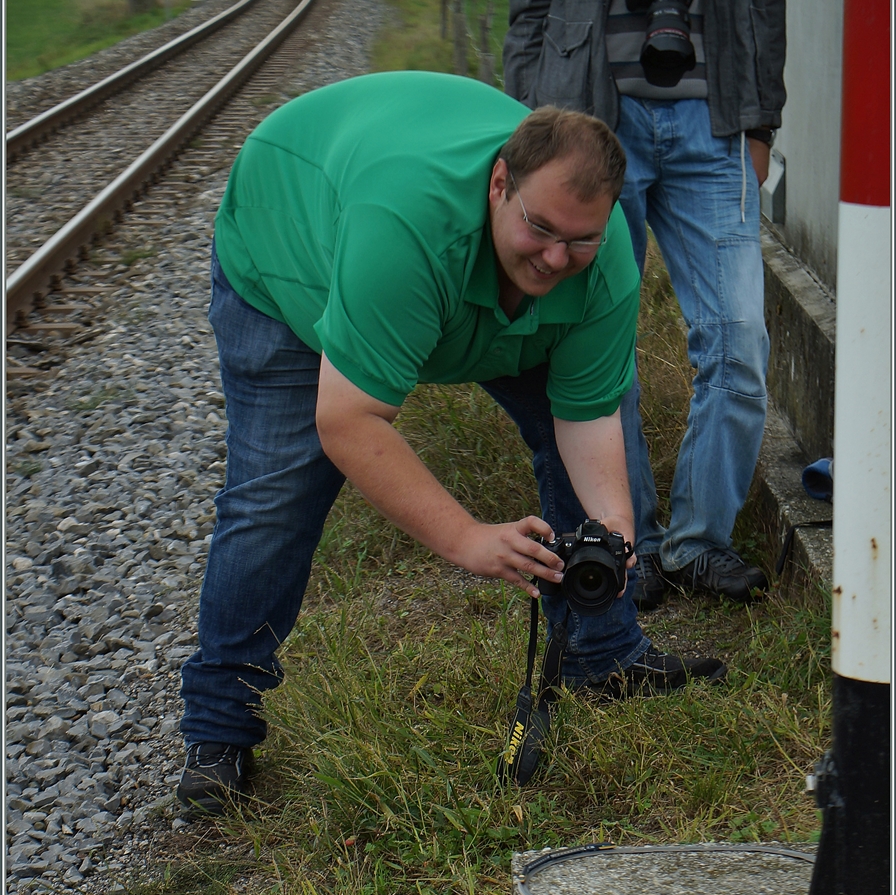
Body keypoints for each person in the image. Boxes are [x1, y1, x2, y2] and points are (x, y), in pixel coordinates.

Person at [176, 71, 725, 816]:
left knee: (591, 465)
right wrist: (467, 537)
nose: (558, 260)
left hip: (451, 279)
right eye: (541, 229)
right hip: (295, 249)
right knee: (277, 497)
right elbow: (349, 423)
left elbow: (590, 417)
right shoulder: (405, 232)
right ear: (500, 183)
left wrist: (618, 534)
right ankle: (219, 732)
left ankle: (605, 654)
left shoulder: (602, 260)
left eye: (581, 240)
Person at [504, 0, 787, 609]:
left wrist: (763, 118)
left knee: (738, 337)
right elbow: (531, 2)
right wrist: (524, 118)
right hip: (587, 111)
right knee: (597, 341)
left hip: (717, 116)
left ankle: (700, 543)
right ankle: (632, 544)